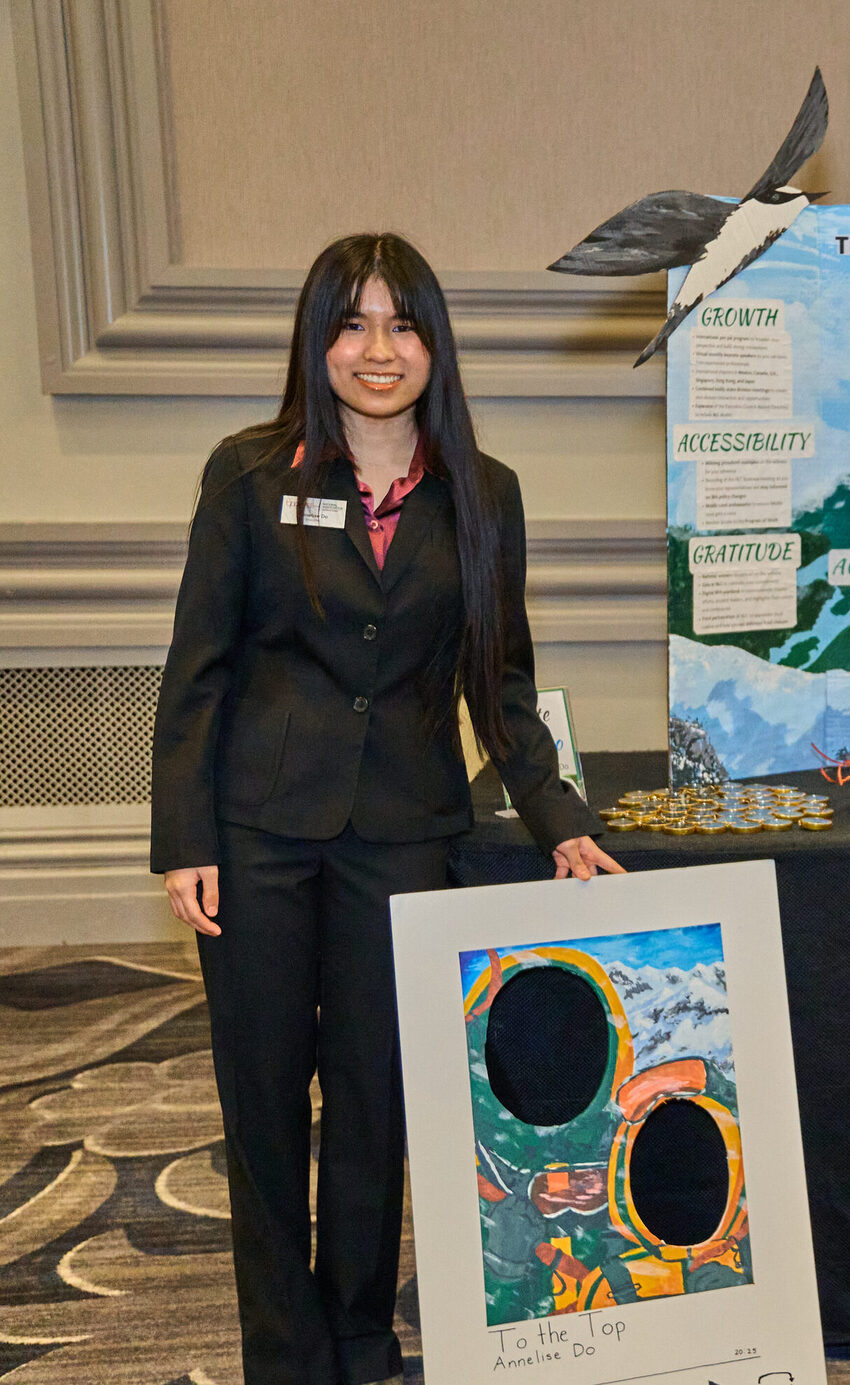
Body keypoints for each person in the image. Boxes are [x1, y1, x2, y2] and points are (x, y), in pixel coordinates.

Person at [150, 232, 624, 1385]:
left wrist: (557, 814)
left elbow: (499, 680)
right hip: (256, 833)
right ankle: (287, 1351)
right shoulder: (249, 474)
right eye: (352, 323)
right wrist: (185, 837)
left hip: (405, 834)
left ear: (434, 344)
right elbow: (198, 669)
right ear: (316, 341)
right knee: (263, 1098)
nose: (377, 348)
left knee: (376, 1097)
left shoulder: (485, 493)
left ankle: (360, 1332)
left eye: (401, 323)